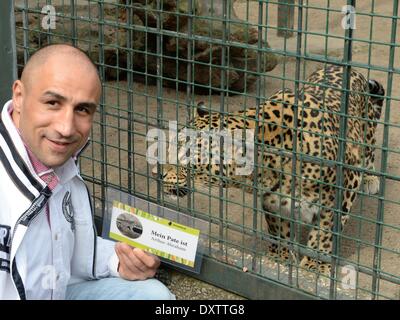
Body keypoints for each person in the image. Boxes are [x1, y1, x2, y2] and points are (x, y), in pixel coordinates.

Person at [0, 44, 175, 300]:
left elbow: (64, 255)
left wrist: (118, 260)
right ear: (19, 96)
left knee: (153, 296)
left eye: (82, 109)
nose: (66, 127)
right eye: (53, 102)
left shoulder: (57, 159)